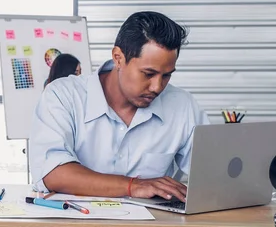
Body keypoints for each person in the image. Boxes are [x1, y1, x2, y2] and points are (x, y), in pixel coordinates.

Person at [29, 11, 210, 203]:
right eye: (148, 74)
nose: (157, 87)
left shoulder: (182, 106)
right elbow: (53, 173)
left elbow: (213, 172)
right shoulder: (62, 96)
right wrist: (132, 186)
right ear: (118, 58)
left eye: (166, 75)